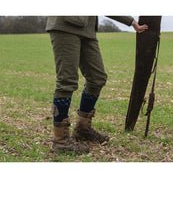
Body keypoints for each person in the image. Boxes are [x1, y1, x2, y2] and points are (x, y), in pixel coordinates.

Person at [46, 16, 148, 154]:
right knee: (67, 81)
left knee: (97, 79)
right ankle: (61, 140)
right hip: (65, 25)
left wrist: (131, 22)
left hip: (87, 30)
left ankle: (82, 129)